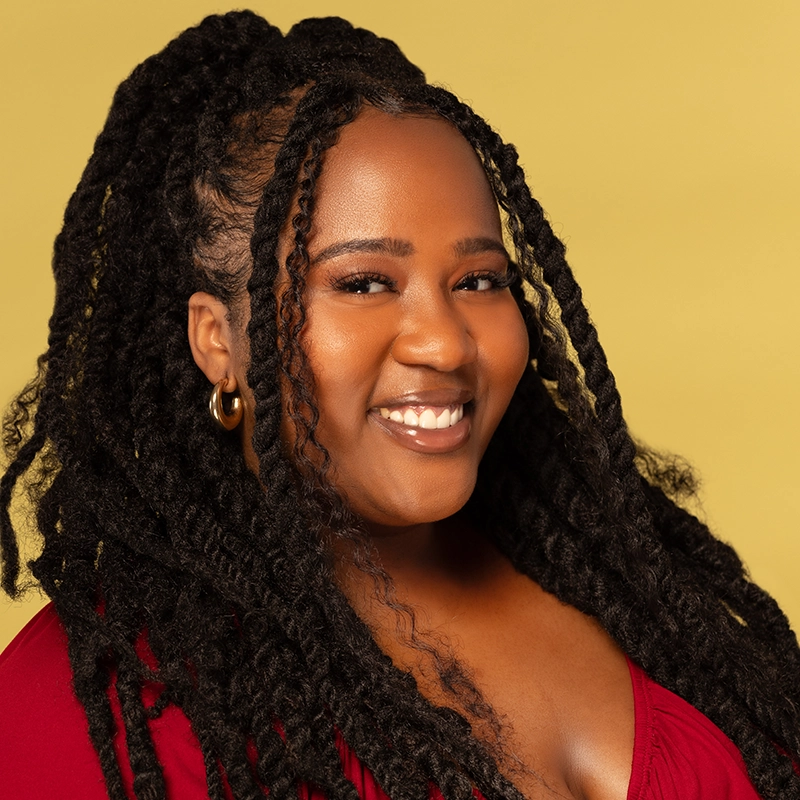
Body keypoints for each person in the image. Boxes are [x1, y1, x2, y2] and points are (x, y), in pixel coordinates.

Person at [0, 10, 797, 800]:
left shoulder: (642, 596)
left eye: (478, 280)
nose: (445, 345)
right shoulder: (81, 708)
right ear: (219, 341)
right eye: (364, 283)